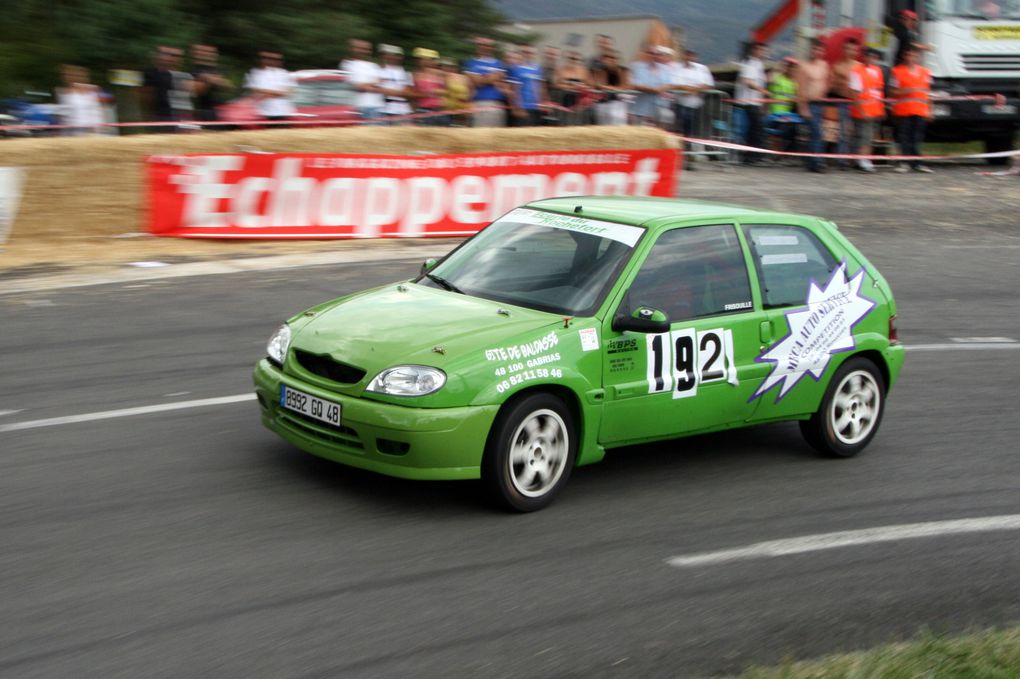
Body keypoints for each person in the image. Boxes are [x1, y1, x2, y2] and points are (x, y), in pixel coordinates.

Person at [890, 45, 934, 172]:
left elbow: (928, 93)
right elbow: (892, 92)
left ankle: (917, 162)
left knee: (917, 137)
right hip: (904, 110)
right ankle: (905, 162)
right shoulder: (897, 71)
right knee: (904, 136)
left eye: (914, 55)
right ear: (904, 56)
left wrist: (930, 110)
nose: (911, 58)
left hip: (920, 110)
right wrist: (905, 91)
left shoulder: (925, 72)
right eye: (909, 55)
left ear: (918, 57)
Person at [797, 38, 831, 172]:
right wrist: (803, 107)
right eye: (815, 49)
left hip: (820, 103)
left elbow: (827, 82)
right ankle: (817, 162)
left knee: (816, 134)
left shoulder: (824, 65)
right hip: (809, 103)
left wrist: (824, 93)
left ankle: (811, 161)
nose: (818, 52)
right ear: (811, 50)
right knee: (816, 133)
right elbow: (800, 89)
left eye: (820, 49)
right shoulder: (804, 66)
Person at [851, 47, 886, 173]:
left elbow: (879, 91)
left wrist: (881, 108)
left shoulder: (877, 70)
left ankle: (863, 159)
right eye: (868, 56)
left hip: (874, 109)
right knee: (864, 136)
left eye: (873, 57)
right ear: (864, 57)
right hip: (863, 110)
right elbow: (855, 93)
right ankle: (863, 160)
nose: (871, 59)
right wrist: (861, 111)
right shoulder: (856, 71)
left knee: (870, 136)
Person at [735, 41, 770, 164]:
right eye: (761, 50)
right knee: (756, 129)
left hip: (756, 102)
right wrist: (763, 91)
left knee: (754, 129)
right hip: (749, 102)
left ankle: (752, 155)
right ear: (754, 50)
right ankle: (753, 155)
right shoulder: (749, 64)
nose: (763, 52)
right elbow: (747, 82)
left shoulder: (759, 64)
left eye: (764, 50)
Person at [143, 46, 193, 127]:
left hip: (183, 115)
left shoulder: (184, 75)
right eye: (170, 55)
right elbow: (147, 98)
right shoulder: (152, 74)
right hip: (162, 116)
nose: (174, 59)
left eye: (178, 56)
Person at [830, 38, 861, 166]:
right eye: (848, 48)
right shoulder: (837, 66)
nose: (850, 51)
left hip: (858, 102)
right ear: (843, 50)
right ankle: (842, 159)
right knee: (843, 131)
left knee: (857, 131)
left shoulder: (859, 66)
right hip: (843, 101)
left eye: (853, 49)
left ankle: (854, 158)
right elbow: (832, 85)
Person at [464, 37, 507, 127]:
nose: (484, 47)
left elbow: (499, 78)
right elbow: (476, 81)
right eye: (480, 45)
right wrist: (491, 77)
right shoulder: (471, 62)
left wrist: (482, 78)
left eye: (487, 45)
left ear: (492, 48)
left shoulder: (498, 63)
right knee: (481, 135)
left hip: (496, 103)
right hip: (479, 102)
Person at [672, 48, 714, 138]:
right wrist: (686, 88)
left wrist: (695, 89)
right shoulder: (676, 67)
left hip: (698, 105)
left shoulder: (702, 68)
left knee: (695, 131)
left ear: (695, 57)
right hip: (681, 103)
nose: (689, 57)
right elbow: (673, 84)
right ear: (683, 55)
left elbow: (709, 84)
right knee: (680, 130)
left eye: (691, 55)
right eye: (687, 54)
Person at [630, 45, 676, 127]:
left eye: (658, 54)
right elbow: (635, 84)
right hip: (640, 109)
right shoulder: (637, 66)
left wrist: (660, 89)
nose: (655, 56)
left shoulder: (666, 68)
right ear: (646, 54)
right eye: (651, 53)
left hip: (659, 109)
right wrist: (655, 90)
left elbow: (670, 84)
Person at [245, 50, 296, 124]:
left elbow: (288, 93)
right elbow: (255, 93)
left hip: (284, 112)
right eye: (266, 58)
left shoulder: (284, 73)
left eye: (276, 59)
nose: (272, 61)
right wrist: (279, 93)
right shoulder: (254, 73)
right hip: (262, 114)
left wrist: (263, 91)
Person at [341, 38, 384, 121]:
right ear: (351, 48)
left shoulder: (374, 66)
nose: (363, 51)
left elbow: (381, 83)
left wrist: (364, 85)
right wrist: (373, 85)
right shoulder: (347, 64)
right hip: (357, 108)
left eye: (366, 49)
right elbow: (356, 86)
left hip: (377, 107)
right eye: (359, 48)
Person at [766, 57, 802, 154]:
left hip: (788, 115)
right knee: (776, 133)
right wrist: (779, 67)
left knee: (791, 132)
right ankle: (776, 153)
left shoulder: (794, 83)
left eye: (794, 69)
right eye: (790, 68)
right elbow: (769, 79)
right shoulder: (778, 77)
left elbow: (797, 97)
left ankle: (783, 153)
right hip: (775, 113)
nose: (793, 71)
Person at [56, 65, 103, 136]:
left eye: (72, 75)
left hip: (88, 128)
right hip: (71, 129)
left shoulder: (91, 91)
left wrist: (96, 128)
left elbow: (95, 111)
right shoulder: (64, 92)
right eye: (67, 75)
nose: (68, 77)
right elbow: (63, 113)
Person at [190, 44, 232, 124]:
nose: (206, 54)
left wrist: (208, 79)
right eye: (203, 51)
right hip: (203, 110)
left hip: (220, 110)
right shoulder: (194, 70)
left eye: (210, 52)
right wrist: (211, 81)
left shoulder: (217, 69)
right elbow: (196, 91)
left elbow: (229, 86)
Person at [507, 44, 546, 126]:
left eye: (531, 53)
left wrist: (542, 103)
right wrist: (516, 107)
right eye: (526, 52)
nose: (528, 55)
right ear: (521, 53)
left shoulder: (538, 69)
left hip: (535, 107)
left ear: (534, 54)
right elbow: (513, 89)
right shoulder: (515, 68)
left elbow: (540, 88)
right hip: (522, 107)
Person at [553, 50, 593, 125]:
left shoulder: (584, 71)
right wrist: (572, 87)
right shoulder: (561, 70)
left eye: (576, 59)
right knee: (566, 122)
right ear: (567, 59)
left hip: (580, 102)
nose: (573, 60)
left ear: (580, 60)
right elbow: (556, 84)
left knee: (579, 122)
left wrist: (582, 87)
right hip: (565, 100)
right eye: (571, 58)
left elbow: (591, 85)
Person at [377, 44, 414, 122]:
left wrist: (389, 91)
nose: (392, 57)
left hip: (404, 110)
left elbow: (408, 93)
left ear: (400, 57)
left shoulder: (406, 74)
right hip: (384, 110)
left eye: (395, 55)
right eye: (389, 54)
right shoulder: (379, 71)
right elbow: (379, 90)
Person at [592, 50, 630, 125]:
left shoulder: (623, 70)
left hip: (619, 104)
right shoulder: (600, 70)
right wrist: (615, 88)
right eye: (609, 58)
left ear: (619, 60)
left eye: (615, 58)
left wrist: (609, 88)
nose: (612, 60)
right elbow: (599, 85)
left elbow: (625, 86)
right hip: (602, 103)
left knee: (619, 127)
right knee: (603, 127)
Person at [411, 47, 445, 124]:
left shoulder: (441, 74)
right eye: (419, 59)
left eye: (432, 59)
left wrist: (441, 92)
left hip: (440, 110)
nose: (421, 61)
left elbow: (450, 90)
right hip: (423, 109)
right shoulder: (415, 75)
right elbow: (412, 95)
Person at [440, 57, 472, 125]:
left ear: (455, 68)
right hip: (442, 111)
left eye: (450, 66)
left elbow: (470, 93)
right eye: (444, 66)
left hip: (461, 112)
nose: (447, 68)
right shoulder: (437, 77)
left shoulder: (463, 78)